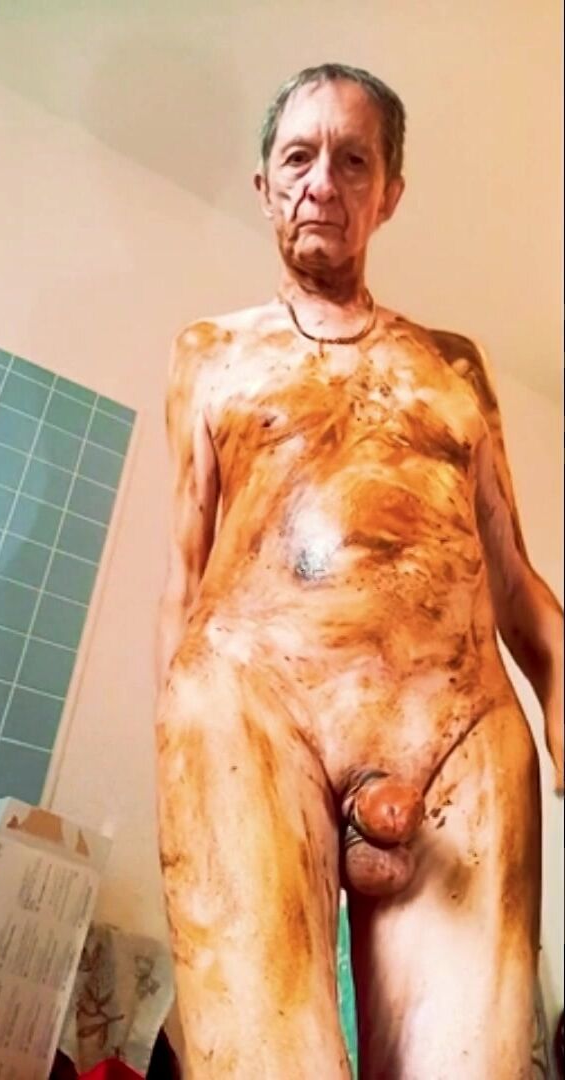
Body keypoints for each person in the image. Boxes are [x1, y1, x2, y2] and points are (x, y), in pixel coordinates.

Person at [154, 63, 563, 1079]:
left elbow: (513, 575)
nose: (321, 183)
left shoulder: (456, 368)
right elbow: (184, 573)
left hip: (457, 729)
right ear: (264, 186)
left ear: (388, 194)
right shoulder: (210, 353)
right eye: (298, 158)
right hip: (258, 714)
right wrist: (181, 772)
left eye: (352, 161)